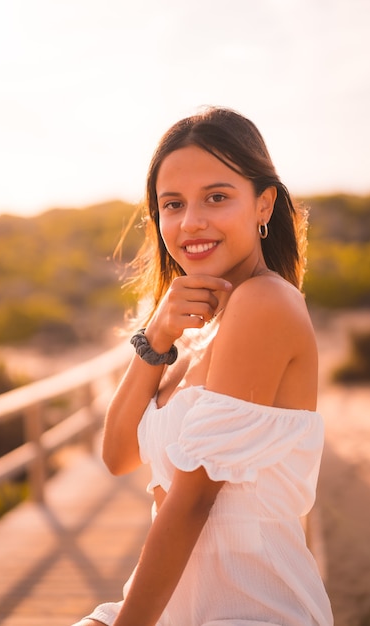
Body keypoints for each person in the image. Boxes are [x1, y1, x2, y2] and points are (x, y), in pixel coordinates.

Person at [72, 107, 333, 625]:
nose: (191, 222)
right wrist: (156, 335)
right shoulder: (196, 327)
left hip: (249, 608)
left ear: (263, 203)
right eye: (173, 204)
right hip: (178, 606)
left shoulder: (266, 304)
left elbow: (192, 500)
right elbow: (119, 454)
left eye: (216, 197)